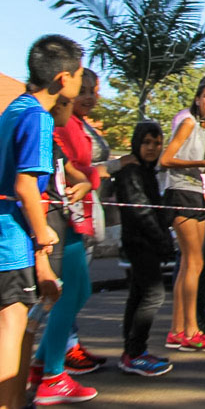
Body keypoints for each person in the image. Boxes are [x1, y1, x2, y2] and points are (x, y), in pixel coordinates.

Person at [1, 35, 81, 409]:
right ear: (64, 79)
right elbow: (26, 185)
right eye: (80, 75)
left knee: (18, 328)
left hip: (10, 237)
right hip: (11, 241)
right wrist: (44, 233)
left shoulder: (15, 109)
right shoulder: (37, 117)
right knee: (13, 331)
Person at [160, 78, 205, 352]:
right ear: (198, 99)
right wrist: (203, 162)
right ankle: (190, 330)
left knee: (193, 264)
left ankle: (179, 330)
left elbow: (190, 163)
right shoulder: (188, 121)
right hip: (180, 193)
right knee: (193, 262)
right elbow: (165, 160)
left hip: (195, 191)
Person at [51, 68, 107, 374]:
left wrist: (90, 176)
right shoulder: (61, 122)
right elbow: (68, 167)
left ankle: (48, 358)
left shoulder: (78, 123)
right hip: (66, 214)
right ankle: (52, 371)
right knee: (68, 293)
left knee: (80, 290)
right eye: (82, 89)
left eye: (94, 90)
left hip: (81, 214)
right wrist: (93, 176)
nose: (88, 96)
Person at [114, 121, 175, 376]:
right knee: (153, 295)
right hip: (140, 243)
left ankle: (132, 351)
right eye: (146, 142)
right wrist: (162, 240)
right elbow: (141, 210)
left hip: (146, 241)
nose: (152, 148)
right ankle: (135, 352)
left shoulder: (148, 171)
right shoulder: (132, 172)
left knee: (139, 295)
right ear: (136, 143)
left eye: (157, 143)